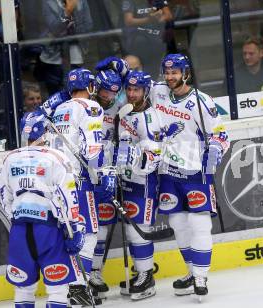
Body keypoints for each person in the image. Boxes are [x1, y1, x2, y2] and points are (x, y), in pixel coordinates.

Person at [152, 53, 229, 298]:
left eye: (175, 72)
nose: (170, 76)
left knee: (200, 224)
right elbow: (134, 90)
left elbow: (220, 133)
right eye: (167, 72)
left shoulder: (201, 101)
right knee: (178, 224)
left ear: (186, 73)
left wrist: (216, 148)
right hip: (167, 172)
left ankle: (200, 277)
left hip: (195, 171)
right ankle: (190, 271)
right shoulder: (158, 92)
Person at [0, 114, 86, 308]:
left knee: (23, 288)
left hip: (20, 230)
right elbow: (67, 199)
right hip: (49, 231)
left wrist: (17, 218)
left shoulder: (10, 158)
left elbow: (4, 195)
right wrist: (74, 229)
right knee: (58, 288)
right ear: (46, 133)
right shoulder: (57, 157)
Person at [52, 68, 116, 306]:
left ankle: (70, 288)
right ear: (90, 87)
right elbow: (93, 149)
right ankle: (79, 287)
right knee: (89, 231)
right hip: (77, 180)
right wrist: (103, 174)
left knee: (69, 233)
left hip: (56, 180)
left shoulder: (60, 109)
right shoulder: (91, 107)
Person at [116, 70, 163, 300]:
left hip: (143, 182)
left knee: (138, 233)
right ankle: (140, 273)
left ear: (146, 91)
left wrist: (128, 156)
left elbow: (151, 159)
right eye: (129, 89)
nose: (132, 94)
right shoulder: (125, 112)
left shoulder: (150, 118)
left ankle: (147, 277)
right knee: (129, 230)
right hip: (126, 180)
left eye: (137, 90)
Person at [88, 68, 123, 298]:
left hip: (106, 173)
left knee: (102, 228)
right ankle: (82, 278)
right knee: (85, 228)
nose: (108, 97)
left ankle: (95, 273)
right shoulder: (83, 107)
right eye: (105, 92)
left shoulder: (119, 109)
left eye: (113, 93)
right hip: (83, 173)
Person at [33, 0, 93, 96]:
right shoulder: (48, 2)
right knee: (55, 96)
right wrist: (67, 11)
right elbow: (54, 28)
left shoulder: (81, 1)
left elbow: (88, 26)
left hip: (76, 56)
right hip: (53, 58)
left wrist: (73, 31)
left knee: (75, 93)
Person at [122, 0, 173, 78]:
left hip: (156, 40)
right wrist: (148, 20)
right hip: (138, 40)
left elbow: (168, 15)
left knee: (154, 72)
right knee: (137, 71)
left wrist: (158, 18)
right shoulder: (130, 1)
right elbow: (128, 21)